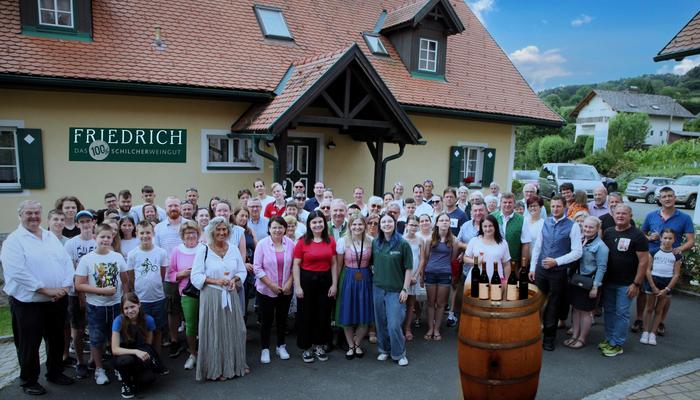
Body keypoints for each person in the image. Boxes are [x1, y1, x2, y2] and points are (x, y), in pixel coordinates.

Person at [2, 200, 75, 395]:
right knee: (29, 344)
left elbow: (66, 262)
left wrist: (66, 285)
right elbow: (17, 272)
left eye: (36, 212)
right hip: (28, 303)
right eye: (29, 213)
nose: (34, 216)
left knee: (57, 340)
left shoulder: (50, 236)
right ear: (20, 216)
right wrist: (45, 289)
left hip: (57, 300)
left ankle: (55, 372)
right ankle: (29, 381)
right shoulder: (14, 241)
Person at [190, 217, 248, 381]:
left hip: (231, 294)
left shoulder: (234, 249)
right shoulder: (204, 250)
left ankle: (235, 365)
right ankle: (216, 368)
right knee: (215, 332)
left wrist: (234, 280)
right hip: (212, 296)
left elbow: (242, 271)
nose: (222, 232)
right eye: (219, 229)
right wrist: (216, 281)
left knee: (235, 330)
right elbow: (196, 276)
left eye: (225, 230)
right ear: (212, 231)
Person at [75, 223, 131, 385]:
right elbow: (79, 285)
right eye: (102, 237)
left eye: (108, 237)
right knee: (96, 338)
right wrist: (102, 291)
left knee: (117, 337)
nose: (105, 240)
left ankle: (118, 366)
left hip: (115, 305)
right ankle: (99, 369)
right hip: (96, 307)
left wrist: (125, 297)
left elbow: (125, 279)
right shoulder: (87, 259)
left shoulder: (117, 257)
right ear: (95, 237)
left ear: (112, 238)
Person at [637, 186, 695, 336]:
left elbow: (690, 241)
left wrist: (679, 249)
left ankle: (661, 321)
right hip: (652, 257)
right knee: (645, 289)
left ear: (675, 198)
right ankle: (640, 319)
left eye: (670, 196)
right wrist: (649, 238)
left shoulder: (684, 218)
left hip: (670, 259)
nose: (667, 199)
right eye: (664, 196)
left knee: (666, 292)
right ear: (659, 199)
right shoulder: (651, 215)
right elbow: (641, 233)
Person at [529, 196, 582, 351]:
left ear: (564, 207)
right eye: (553, 206)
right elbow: (538, 247)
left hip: (557, 272)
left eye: (558, 206)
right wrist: (533, 268)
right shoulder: (545, 222)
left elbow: (577, 252)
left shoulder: (573, 226)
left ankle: (549, 339)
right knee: (536, 303)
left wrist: (557, 261)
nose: (555, 209)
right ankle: (533, 334)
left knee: (553, 305)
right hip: (540, 270)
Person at [599, 204, 648, 357]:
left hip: (627, 284)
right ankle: (609, 339)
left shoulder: (638, 235)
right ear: (613, 215)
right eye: (618, 213)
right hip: (608, 282)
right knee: (609, 312)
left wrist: (636, 284)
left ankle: (617, 344)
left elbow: (644, 262)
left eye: (624, 214)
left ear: (630, 216)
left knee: (622, 313)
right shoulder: (608, 232)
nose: (620, 216)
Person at [292, 210, 338, 363]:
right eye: (314, 222)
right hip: (307, 281)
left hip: (325, 281)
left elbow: (333, 264)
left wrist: (334, 284)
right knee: (306, 315)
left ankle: (319, 345)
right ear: (309, 224)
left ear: (324, 224)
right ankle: (306, 348)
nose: (317, 225)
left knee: (323, 315)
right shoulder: (302, 241)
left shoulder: (330, 241)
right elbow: (296, 265)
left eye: (320, 222)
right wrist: (297, 286)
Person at [372, 213, 413, 366]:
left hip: (396, 290)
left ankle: (399, 353)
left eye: (390, 221)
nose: (387, 224)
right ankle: (384, 349)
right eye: (383, 222)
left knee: (394, 323)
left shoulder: (403, 244)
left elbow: (408, 268)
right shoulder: (376, 243)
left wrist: (405, 289)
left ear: (395, 224)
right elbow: (372, 263)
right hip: (378, 288)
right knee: (381, 322)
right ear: (380, 225)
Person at [254, 216, 295, 364]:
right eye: (274, 227)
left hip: (285, 289)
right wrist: (271, 285)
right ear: (269, 229)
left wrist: (289, 283)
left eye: (280, 227)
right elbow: (257, 268)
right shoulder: (262, 244)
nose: (277, 230)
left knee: (282, 319)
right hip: (266, 289)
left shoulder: (290, 244)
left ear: (285, 229)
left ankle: (281, 346)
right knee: (266, 320)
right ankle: (265, 348)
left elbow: (294, 267)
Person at [127, 221, 169, 359]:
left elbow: (162, 274)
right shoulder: (132, 254)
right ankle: (144, 358)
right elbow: (131, 276)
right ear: (136, 234)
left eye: (148, 232)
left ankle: (156, 358)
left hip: (158, 298)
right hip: (141, 300)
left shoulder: (161, 252)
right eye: (142, 233)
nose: (145, 236)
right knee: (143, 330)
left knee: (157, 330)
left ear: (153, 234)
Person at [565, 216, 608, 350]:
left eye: (591, 227)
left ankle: (582, 338)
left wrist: (595, 287)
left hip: (589, 283)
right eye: (586, 226)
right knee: (576, 310)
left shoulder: (601, 247)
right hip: (577, 280)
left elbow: (602, 268)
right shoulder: (581, 241)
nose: (587, 229)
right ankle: (574, 336)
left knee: (586, 312)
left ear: (597, 229)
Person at [63, 209, 97, 378]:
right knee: (77, 329)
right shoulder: (70, 244)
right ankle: (80, 361)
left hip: (96, 293)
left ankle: (93, 360)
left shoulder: (99, 242)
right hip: (75, 293)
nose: (85, 224)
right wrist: (80, 292)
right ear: (77, 224)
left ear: (93, 223)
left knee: (95, 328)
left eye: (88, 221)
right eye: (81, 221)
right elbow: (71, 269)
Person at [111, 292, 164, 399]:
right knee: (125, 361)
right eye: (126, 308)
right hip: (123, 354)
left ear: (139, 304)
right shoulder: (118, 321)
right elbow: (115, 349)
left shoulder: (148, 320)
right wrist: (135, 352)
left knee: (148, 379)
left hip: (141, 351)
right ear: (122, 309)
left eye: (132, 306)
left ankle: (134, 375)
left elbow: (148, 344)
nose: (130, 311)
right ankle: (126, 383)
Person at [336, 213, 374, 359]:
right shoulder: (342, 241)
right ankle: (350, 345)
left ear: (364, 226)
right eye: (354, 224)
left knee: (364, 313)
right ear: (350, 226)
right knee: (347, 312)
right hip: (348, 278)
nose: (357, 227)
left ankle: (357, 343)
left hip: (365, 278)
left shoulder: (371, 241)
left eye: (360, 224)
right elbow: (339, 265)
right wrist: (336, 284)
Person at [154, 196, 188, 358]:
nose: (173, 208)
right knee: (172, 310)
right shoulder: (159, 228)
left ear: (180, 207)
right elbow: (157, 253)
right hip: (170, 277)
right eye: (170, 206)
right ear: (165, 208)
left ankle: (192, 339)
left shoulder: (189, 224)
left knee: (190, 308)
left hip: (190, 274)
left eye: (176, 205)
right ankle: (174, 340)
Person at [168, 221, 203, 370]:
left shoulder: (204, 248)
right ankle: (193, 354)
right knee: (190, 325)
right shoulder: (177, 250)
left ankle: (205, 352)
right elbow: (170, 275)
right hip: (187, 292)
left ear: (198, 234)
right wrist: (184, 273)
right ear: (182, 236)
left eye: (193, 232)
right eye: (187, 233)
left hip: (204, 290)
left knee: (205, 322)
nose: (190, 235)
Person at [421, 213, 461, 342]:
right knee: (431, 302)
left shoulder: (453, 240)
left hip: (445, 274)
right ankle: (430, 328)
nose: (444, 222)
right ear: (437, 223)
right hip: (430, 273)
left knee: (441, 303)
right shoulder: (429, 240)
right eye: (441, 220)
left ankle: (437, 328)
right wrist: (422, 276)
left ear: (449, 223)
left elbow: (453, 259)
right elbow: (426, 258)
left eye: (446, 220)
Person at [640, 229, 682, 346]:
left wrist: (667, 289)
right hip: (653, 281)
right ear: (661, 238)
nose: (667, 241)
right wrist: (653, 286)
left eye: (670, 238)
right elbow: (647, 269)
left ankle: (653, 333)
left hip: (666, 283)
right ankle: (645, 332)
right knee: (649, 308)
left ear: (674, 240)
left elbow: (676, 274)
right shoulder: (653, 252)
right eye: (665, 238)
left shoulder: (676, 255)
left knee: (659, 310)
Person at [462, 215, 511, 288]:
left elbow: (506, 264)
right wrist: (475, 261)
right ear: (481, 227)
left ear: (495, 227)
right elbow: (465, 258)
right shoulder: (475, 240)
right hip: (475, 280)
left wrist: (507, 282)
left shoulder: (503, 243)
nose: (488, 229)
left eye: (490, 226)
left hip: (496, 281)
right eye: (485, 226)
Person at [402, 215, 427, 341]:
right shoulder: (401, 239)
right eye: (411, 224)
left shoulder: (420, 240)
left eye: (416, 225)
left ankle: (407, 328)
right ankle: (399, 327)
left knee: (411, 303)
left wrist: (416, 275)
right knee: (401, 303)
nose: (413, 227)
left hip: (415, 275)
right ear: (406, 225)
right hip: (402, 275)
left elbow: (422, 259)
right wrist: (405, 276)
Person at [491, 192, 532, 272]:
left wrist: (524, 265)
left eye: (510, 202)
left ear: (514, 204)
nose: (507, 205)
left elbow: (526, 244)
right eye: (505, 202)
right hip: (494, 261)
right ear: (500, 203)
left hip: (513, 263)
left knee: (511, 284)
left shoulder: (522, 220)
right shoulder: (492, 217)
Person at [234, 206, 257, 319]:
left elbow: (256, 247)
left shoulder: (249, 231)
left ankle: (244, 325)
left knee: (246, 297)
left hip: (250, 268)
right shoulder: (232, 231)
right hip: (239, 268)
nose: (244, 218)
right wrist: (243, 265)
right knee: (238, 298)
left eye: (246, 216)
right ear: (235, 216)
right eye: (241, 215)